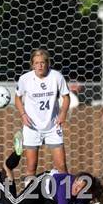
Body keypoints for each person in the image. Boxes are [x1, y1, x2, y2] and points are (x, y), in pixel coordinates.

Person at [15, 48, 70, 183]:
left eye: (42, 63)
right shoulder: (25, 79)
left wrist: (63, 113)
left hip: (52, 126)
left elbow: (66, 97)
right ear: (32, 65)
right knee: (31, 167)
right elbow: (17, 98)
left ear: (47, 63)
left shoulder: (57, 77)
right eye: (36, 63)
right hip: (32, 128)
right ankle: (29, 200)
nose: (40, 66)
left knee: (61, 166)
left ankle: (66, 199)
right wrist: (23, 114)